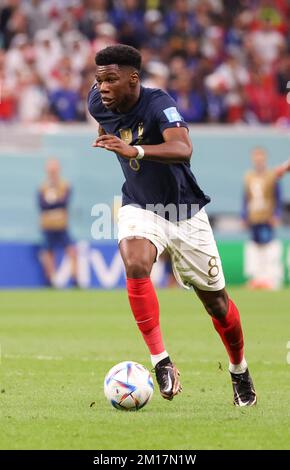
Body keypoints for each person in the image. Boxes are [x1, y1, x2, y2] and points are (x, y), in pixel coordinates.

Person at [88, 44, 257, 406]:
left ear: (133, 79)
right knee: (135, 262)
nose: (102, 87)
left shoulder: (157, 102)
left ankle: (239, 370)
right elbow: (110, 119)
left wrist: (136, 151)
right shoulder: (97, 104)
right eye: (98, 79)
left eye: (111, 80)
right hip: (140, 205)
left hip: (185, 212)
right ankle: (160, 361)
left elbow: (183, 148)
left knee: (218, 305)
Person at [242, 148, 290, 289]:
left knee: (269, 245)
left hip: (267, 217)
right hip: (254, 217)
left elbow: (278, 197)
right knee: (254, 247)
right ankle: (257, 278)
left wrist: (276, 215)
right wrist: (244, 215)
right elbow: (246, 198)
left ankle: (271, 278)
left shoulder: (271, 176)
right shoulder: (249, 176)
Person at [38, 159, 77, 288]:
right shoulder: (43, 187)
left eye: (54, 169)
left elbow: (64, 202)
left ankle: (75, 278)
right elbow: (42, 205)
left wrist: (52, 203)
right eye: (51, 170)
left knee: (71, 250)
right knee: (48, 252)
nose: (53, 172)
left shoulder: (64, 184)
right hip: (48, 225)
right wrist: (55, 202)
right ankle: (51, 279)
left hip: (61, 225)